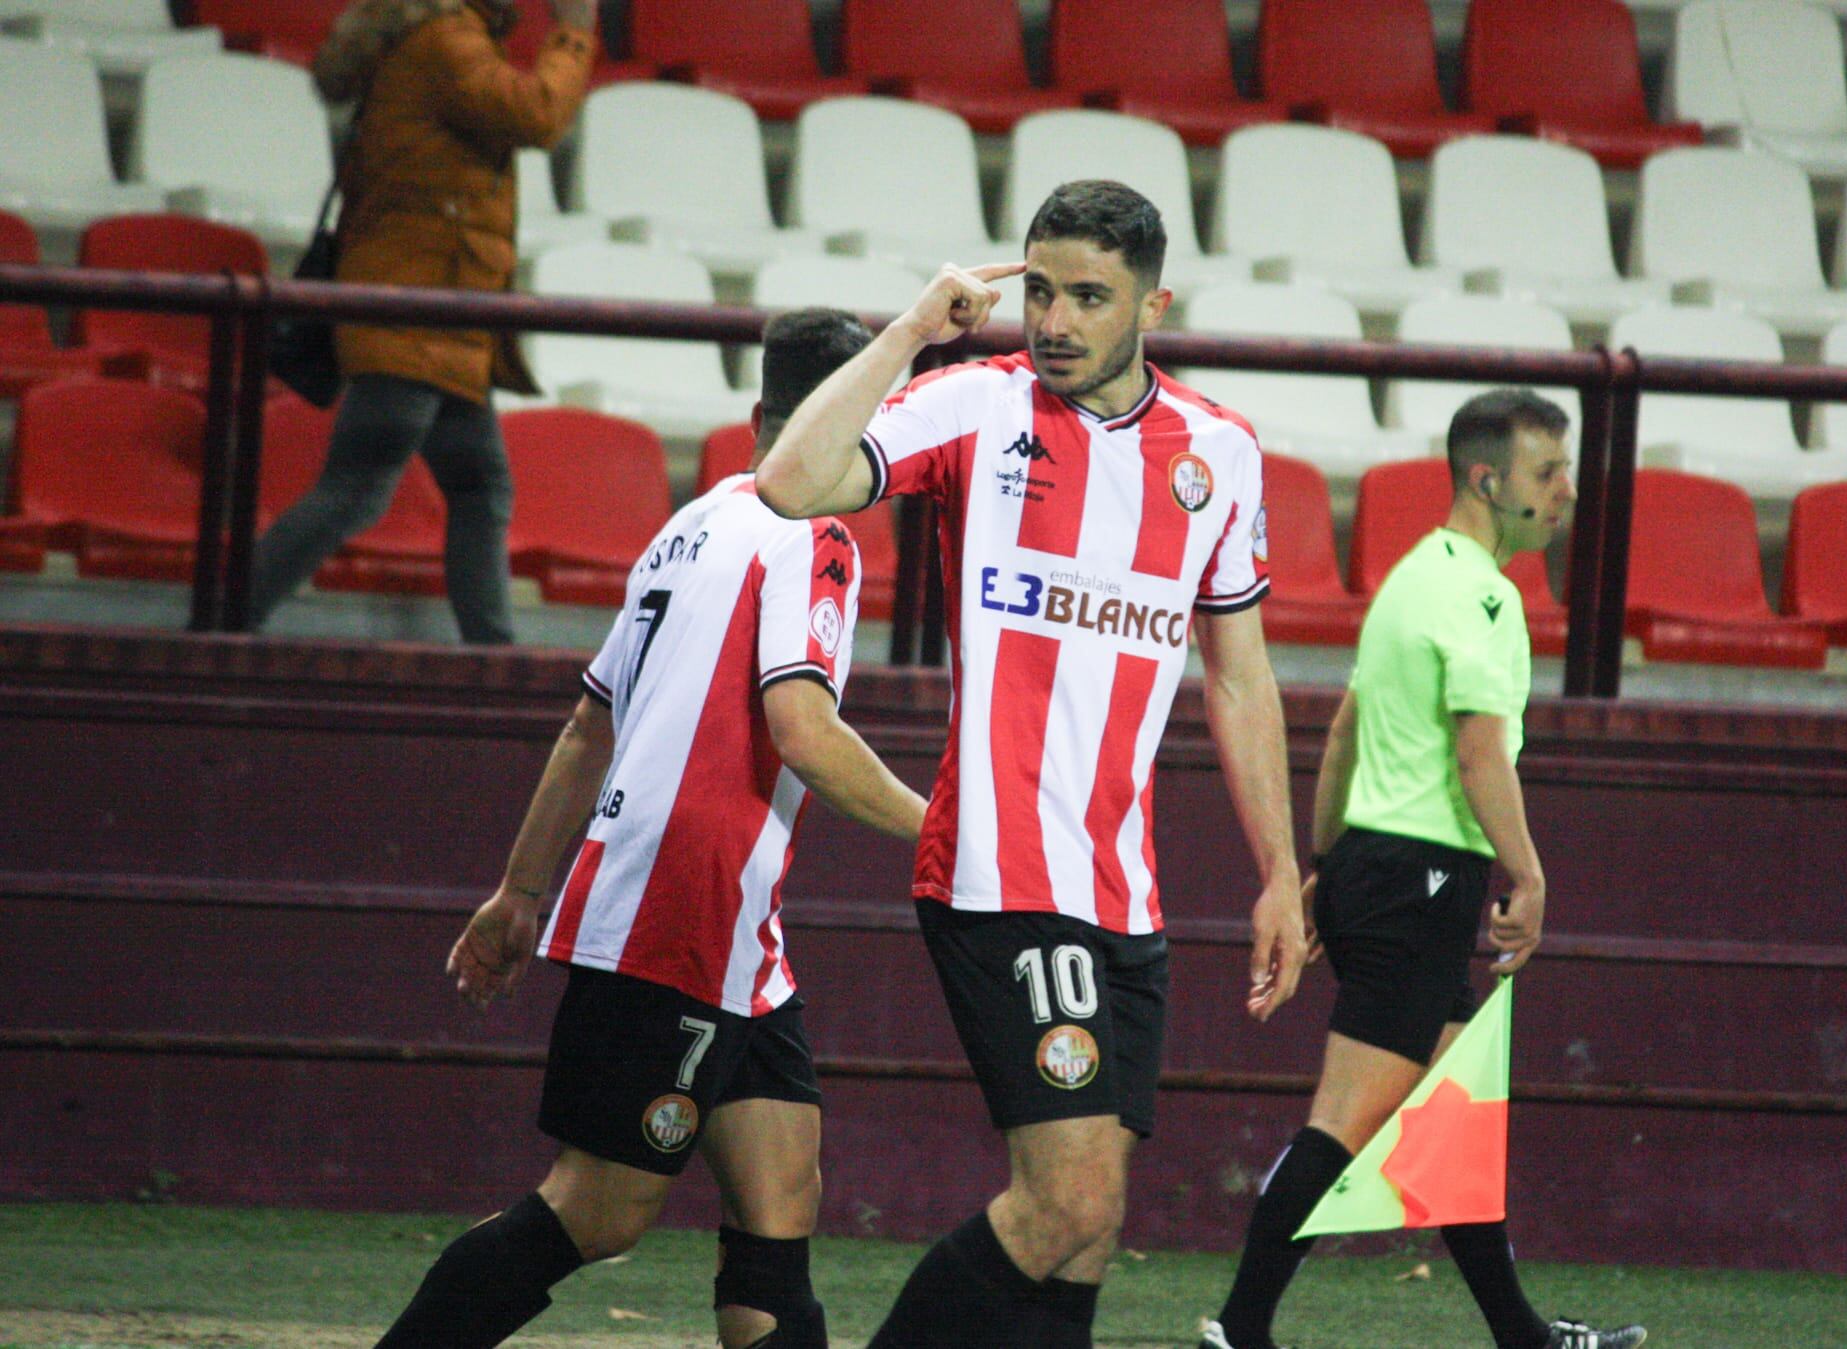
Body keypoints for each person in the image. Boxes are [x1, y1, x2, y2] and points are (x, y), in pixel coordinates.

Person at [755, 179, 1310, 1349]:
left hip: (1122, 888)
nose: (1054, 319)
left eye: (1089, 297)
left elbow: (1239, 672)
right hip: (1000, 873)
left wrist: (1279, 870)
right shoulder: (970, 406)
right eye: (1041, 290)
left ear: (1152, 301)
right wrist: (908, 335)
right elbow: (789, 482)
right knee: (1064, 1199)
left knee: (1091, 1224)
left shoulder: (1218, 452)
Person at [372, 308, 929, 1349]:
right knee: (597, 1208)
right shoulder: (815, 534)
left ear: (759, 409)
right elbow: (803, 729)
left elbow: (589, 724)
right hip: (686, 900)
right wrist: (947, 828)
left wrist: (519, 891)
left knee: (778, 1206)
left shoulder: (695, 519)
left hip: (719, 918)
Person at [1198, 389, 1645, 1349]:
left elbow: (1351, 729)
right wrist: (1528, 877)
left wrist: (1325, 866)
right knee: (1344, 1124)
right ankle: (1239, 1327)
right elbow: (1481, 753)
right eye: (1547, 472)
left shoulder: (1411, 579)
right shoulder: (1484, 594)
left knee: (1452, 1126)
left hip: (1382, 870)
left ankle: (1521, 1336)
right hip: (1422, 880)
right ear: (1489, 480)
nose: (1566, 490)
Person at [250, 0, 598, 643]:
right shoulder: (445, 41)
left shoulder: (426, 36)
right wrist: (572, 33)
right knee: (359, 486)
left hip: (438, 315)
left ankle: (494, 656)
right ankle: (224, 621)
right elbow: (538, 115)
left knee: (479, 487)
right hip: (418, 311)